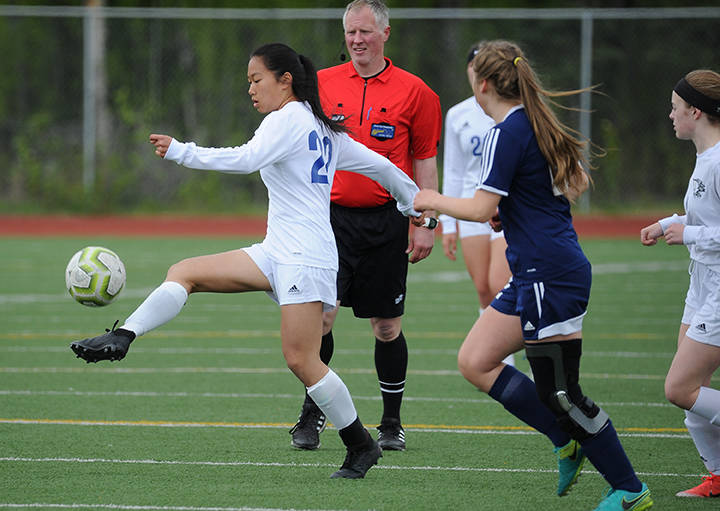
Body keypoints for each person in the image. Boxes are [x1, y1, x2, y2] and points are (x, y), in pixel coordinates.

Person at [69, 42, 426, 480]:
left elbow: (246, 159)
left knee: (301, 360)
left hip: (305, 258)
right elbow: (381, 166)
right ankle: (123, 335)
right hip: (277, 250)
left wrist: (181, 150)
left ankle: (361, 445)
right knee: (185, 273)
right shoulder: (319, 126)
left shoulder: (289, 118)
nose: (251, 90)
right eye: (248, 82)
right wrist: (413, 202)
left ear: (285, 80)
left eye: (257, 80)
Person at [413, 40, 653, 510]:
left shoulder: (510, 130)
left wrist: (430, 199)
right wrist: (520, 207)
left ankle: (629, 489)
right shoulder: (530, 121)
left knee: (564, 394)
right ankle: (566, 441)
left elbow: (481, 207)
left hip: (551, 274)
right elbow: (574, 182)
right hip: (533, 272)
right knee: (475, 360)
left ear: (482, 84)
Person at [288, 0, 442, 452]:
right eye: (351, 33)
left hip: (387, 223)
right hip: (328, 221)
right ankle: (311, 416)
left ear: (386, 34)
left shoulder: (417, 93)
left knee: (386, 326)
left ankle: (391, 423)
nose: (357, 41)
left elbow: (426, 162)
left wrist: (426, 222)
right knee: (322, 319)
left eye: (366, 33)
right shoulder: (318, 84)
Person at [640, 69, 720, 499]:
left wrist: (687, 234)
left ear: (695, 110)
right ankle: (719, 475)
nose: (670, 115)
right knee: (694, 391)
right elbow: (710, 217)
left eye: (675, 108)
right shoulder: (706, 158)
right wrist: (670, 223)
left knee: (680, 388)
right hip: (702, 284)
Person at [440, 42, 513, 367]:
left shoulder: (511, 109)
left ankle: (504, 358)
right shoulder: (458, 114)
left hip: (503, 208)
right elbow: (454, 170)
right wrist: (448, 224)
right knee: (483, 289)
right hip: (470, 209)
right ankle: (495, 354)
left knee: (500, 283)